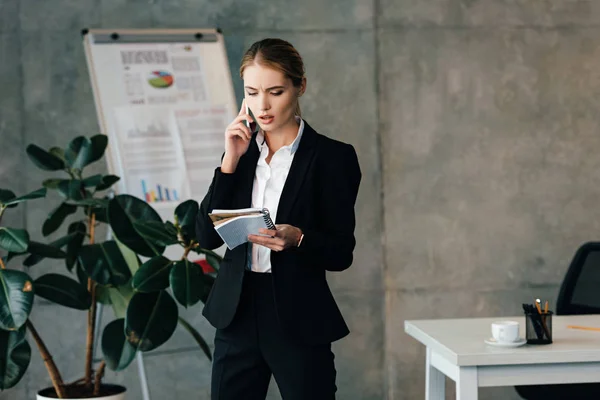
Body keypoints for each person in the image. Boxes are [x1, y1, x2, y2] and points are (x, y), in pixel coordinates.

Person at [195, 38, 362, 400]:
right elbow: (205, 238)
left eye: (275, 91)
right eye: (252, 93)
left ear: (300, 86)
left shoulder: (333, 158)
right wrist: (229, 163)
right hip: (236, 313)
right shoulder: (239, 152)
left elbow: (340, 252)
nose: (263, 106)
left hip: (297, 315)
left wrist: (298, 238)